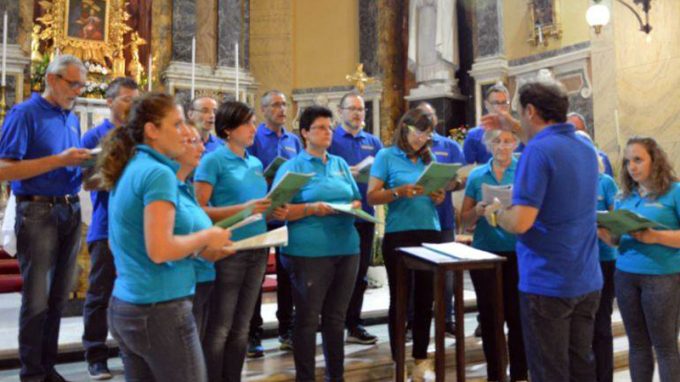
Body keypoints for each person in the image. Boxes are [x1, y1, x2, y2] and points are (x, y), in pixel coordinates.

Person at [100, 92, 233, 381]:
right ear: (152, 131)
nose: (186, 132)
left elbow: (122, 242)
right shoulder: (158, 173)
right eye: (177, 124)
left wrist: (198, 248)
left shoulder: (131, 165)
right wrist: (206, 236)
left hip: (127, 303)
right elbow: (159, 250)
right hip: (160, 308)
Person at [482, 78, 602, 381]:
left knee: (550, 372)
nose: (519, 118)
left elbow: (522, 221)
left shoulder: (536, 153)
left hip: (548, 282)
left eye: (520, 112)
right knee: (581, 367)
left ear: (531, 110)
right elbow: (550, 142)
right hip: (586, 278)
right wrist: (513, 125)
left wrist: (496, 214)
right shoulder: (586, 148)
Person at [0, 54, 92, 382]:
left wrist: (89, 167)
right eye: (73, 83)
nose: (78, 90)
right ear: (52, 79)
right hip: (38, 211)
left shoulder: (70, 116)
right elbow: (5, 168)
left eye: (82, 84)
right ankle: (32, 373)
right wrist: (57, 160)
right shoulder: (24, 113)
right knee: (37, 299)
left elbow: (65, 163)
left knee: (58, 297)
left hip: (69, 208)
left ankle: (48, 366)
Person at [195, 101, 288, 381]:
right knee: (220, 327)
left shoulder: (256, 162)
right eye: (247, 123)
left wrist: (274, 209)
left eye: (253, 122)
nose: (253, 129)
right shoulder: (213, 160)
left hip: (257, 247)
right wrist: (245, 208)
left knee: (242, 327)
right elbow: (198, 211)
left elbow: (257, 207)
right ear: (227, 129)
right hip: (228, 250)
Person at [274, 105, 361, 381]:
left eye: (330, 128)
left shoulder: (339, 164)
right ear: (304, 133)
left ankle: (336, 376)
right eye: (321, 128)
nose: (328, 132)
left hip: (346, 248)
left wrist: (351, 205)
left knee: (336, 318)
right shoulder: (292, 167)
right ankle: (306, 377)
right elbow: (279, 210)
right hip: (309, 252)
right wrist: (312, 208)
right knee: (308, 319)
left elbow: (356, 198)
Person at [367, 107, 446, 381]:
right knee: (401, 298)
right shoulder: (386, 156)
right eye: (417, 132)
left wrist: (438, 195)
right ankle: (398, 356)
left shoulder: (428, 157)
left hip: (430, 231)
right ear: (405, 128)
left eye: (426, 134)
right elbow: (372, 196)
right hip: (400, 233)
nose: (421, 139)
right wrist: (398, 192)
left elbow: (437, 194)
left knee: (426, 299)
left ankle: (421, 358)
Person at [598, 137, 680, 382]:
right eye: (628, 161)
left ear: (654, 160)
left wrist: (655, 236)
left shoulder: (674, 191)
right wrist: (603, 231)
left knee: (664, 346)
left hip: (662, 276)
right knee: (637, 344)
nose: (632, 166)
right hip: (625, 274)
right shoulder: (624, 196)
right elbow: (616, 239)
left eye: (638, 159)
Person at [80, 77, 139, 380]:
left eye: (135, 99)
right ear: (110, 101)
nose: (131, 105)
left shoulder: (141, 137)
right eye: (126, 98)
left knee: (131, 291)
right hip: (106, 225)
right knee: (100, 293)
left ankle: (131, 351)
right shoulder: (94, 135)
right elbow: (85, 177)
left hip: (136, 227)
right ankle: (95, 354)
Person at [460, 129, 528, 382]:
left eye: (507, 141)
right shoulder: (477, 175)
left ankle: (520, 374)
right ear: (489, 144)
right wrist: (476, 211)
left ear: (515, 143)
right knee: (490, 318)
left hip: (518, 251)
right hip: (485, 253)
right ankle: (495, 374)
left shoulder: (524, 170)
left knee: (517, 316)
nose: (502, 146)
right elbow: (463, 220)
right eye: (497, 141)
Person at [247, 90, 303, 357]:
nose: (282, 109)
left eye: (284, 104)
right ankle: (252, 333)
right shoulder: (255, 137)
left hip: (285, 212)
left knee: (287, 273)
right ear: (264, 109)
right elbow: (248, 170)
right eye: (276, 105)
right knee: (255, 275)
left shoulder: (293, 140)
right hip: (261, 212)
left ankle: (286, 329)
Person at [328, 91, 382, 345]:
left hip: (364, 217)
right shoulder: (330, 139)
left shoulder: (373, 141)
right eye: (352, 109)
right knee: (333, 273)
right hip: (335, 216)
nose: (358, 113)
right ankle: (330, 323)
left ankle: (354, 322)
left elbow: (383, 173)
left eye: (361, 109)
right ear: (341, 112)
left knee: (359, 274)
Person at [416, 102, 465, 337]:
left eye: (430, 115)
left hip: (443, 217)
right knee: (418, 274)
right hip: (418, 220)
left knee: (446, 276)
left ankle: (447, 319)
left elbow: (461, 179)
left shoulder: (450, 146)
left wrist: (450, 184)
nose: (427, 119)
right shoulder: (410, 146)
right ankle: (412, 322)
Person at [464, 83, 522, 165]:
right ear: (486, 105)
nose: (501, 107)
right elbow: (466, 169)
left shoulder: (519, 131)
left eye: (505, 102)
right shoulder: (474, 136)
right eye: (496, 103)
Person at [567, 111, 614, 177]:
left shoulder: (601, 159)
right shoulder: (560, 161)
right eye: (569, 132)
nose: (575, 135)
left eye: (577, 130)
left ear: (585, 132)